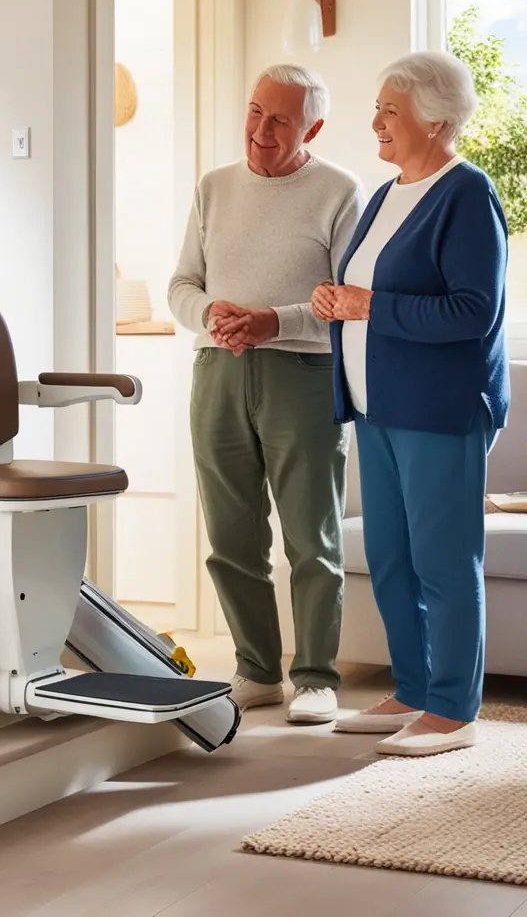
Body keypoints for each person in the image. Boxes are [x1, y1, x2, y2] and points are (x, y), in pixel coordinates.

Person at [314, 50, 508, 757]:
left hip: (440, 409)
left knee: (443, 560)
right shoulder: (389, 192)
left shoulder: (467, 194)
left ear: (435, 118)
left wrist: (369, 304)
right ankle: (416, 689)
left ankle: (454, 710)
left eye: (388, 111)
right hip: (377, 406)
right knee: (393, 557)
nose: (375, 124)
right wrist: (337, 302)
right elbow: (369, 297)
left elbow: (472, 311)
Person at [169, 64, 364, 725]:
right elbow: (181, 286)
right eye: (256, 111)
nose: (261, 129)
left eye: (280, 118)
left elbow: (343, 303)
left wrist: (271, 321)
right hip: (218, 372)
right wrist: (211, 313)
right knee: (230, 536)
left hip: (302, 376)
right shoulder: (214, 187)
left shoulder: (339, 191)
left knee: (312, 537)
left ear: (311, 126)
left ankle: (315, 676)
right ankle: (256, 669)